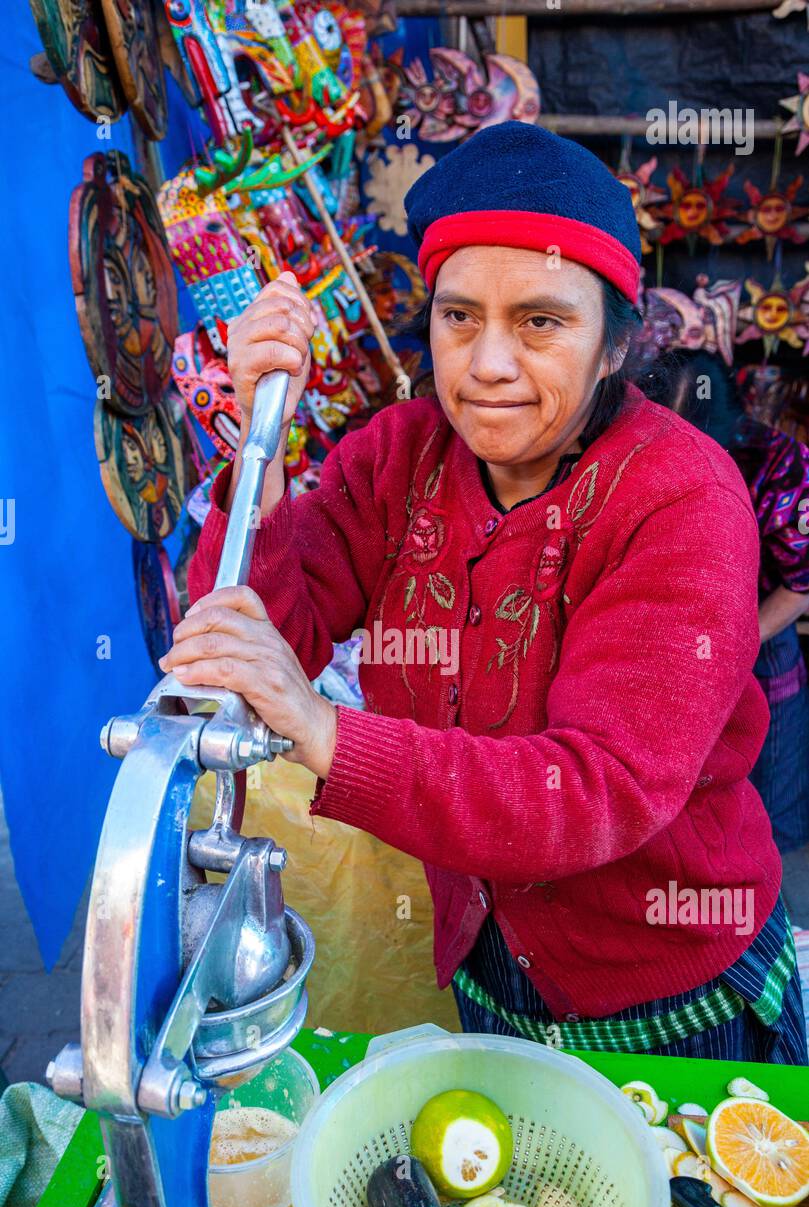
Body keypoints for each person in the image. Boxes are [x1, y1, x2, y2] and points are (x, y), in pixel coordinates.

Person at [161, 122, 807, 1064]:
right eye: (459, 316)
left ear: (615, 346)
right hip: (488, 960)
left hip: (672, 984)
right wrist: (259, 453)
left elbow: (595, 790)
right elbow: (274, 637)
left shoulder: (681, 499)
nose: (489, 363)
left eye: (540, 321)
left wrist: (322, 727)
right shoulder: (398, 456)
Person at [639, 348, 809, 856]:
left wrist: (731, 647)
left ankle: (779, 929)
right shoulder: (632, 451)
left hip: (758, 642)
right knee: (686, 820)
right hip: (663, 648)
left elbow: (801, 584)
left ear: (733, 426)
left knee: (771, 812)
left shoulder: (782, 464)